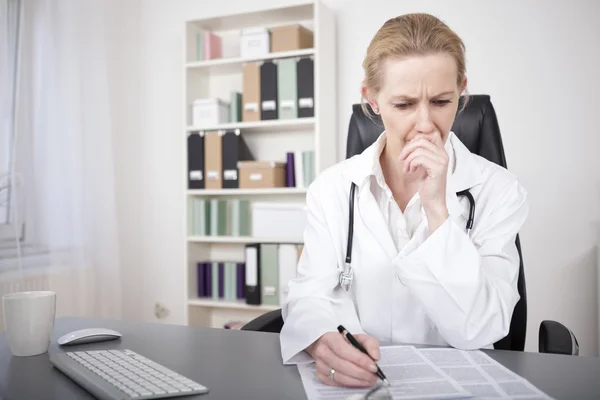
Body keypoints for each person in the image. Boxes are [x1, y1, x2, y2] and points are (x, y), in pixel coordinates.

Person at [279, 12, 529, 389]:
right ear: (372, 100)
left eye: (442, 101)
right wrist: (321, 340)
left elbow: (481, 327)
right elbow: (307, 297)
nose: (426, 124)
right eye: (404, 105)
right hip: (360, 387)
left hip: (458, 388)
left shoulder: (498, 191)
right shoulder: (331, 189)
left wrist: (437, 211)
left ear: (462, 91)